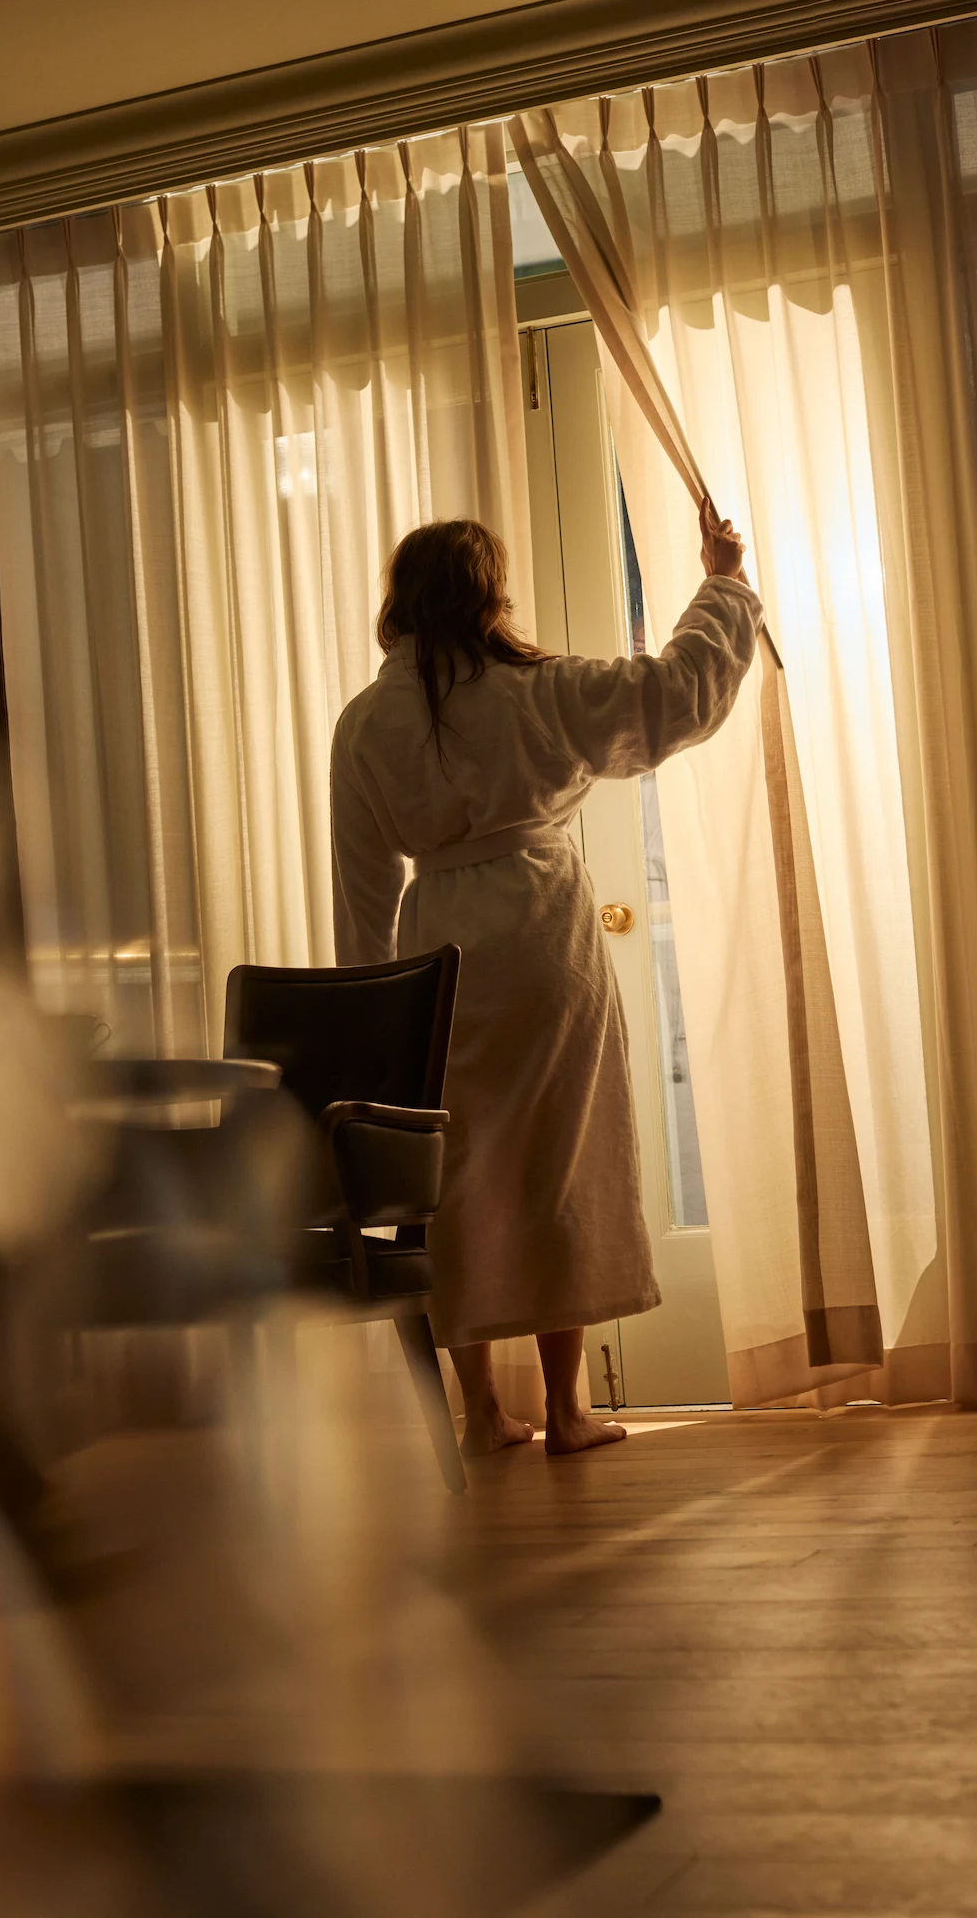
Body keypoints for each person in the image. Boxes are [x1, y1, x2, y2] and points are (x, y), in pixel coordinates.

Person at [330, 496, 763, 1457]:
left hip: (435, 963)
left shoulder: (365, 724)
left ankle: (481, 1412)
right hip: (541, 949)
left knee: (453, 1181)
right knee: (560, 1164)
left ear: (400, 601)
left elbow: (360, 890)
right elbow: (673, 692)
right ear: (489, 596)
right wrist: (722, 585)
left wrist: (374, 1026)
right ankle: (567, 1409)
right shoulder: (539, 689)